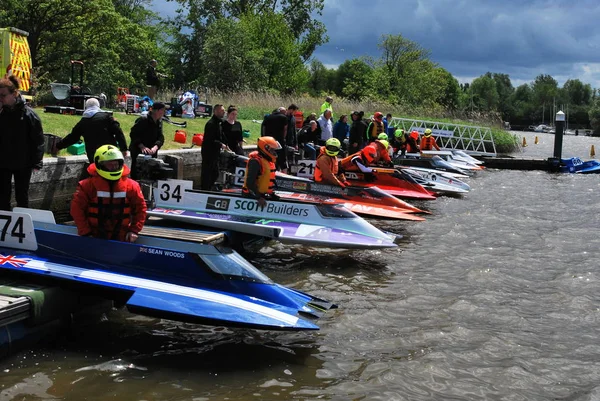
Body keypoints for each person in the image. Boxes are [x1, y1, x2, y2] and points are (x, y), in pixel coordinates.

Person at [70, 145, 146, 242]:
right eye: (109, 164)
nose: (113, 167)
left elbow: (141, 208)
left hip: (122, 238)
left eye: (116, 164)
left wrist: (134, 230)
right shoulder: (86, 186)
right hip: (93, 236)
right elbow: (77, 210)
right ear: (99, 164)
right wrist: (85, 232)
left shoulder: (132, 186)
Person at [0, 76, 44, 211]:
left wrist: (37, 161)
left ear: (14, 94)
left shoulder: (29, 115)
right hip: (3, 162)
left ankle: (23, 225)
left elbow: (38, 140)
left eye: (3, 95)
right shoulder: (1, 113)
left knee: (22, 196)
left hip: (23, 163)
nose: (0, 98)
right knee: (2, 196)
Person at [54, 98, 128, 163]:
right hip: (110, 152)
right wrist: (124, 148)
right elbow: (118, 131)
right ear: (98, 106)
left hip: (93, 155)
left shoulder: (82, 122)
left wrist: (58, 146)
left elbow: (72, 137)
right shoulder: (106, 117)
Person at [128, 102, 167, 180]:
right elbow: (133, 134)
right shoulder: (143, 119)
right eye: (162, 110)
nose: (163, 112)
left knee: (151, 172)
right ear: (156, 111)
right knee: (138, 172)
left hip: (152, 151)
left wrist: (156, 146)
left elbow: (160, 137)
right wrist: (141, 146)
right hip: (138, 150)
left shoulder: (159, 121)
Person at [242, 136, 281, 208]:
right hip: (251, 196)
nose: (274, 152)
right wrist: (259, 197)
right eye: (272, 150)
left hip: (261, 195)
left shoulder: (267, 161)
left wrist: (271, 194)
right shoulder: (255, 162)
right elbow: (249, 183)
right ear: (266, 149)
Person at [201, 104, 227, 190]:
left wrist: (225, 144)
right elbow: (210, 139)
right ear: (216, 111)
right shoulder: (211, 124)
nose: (224, 112)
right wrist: (221, 145)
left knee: (215, 173)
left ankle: (209, 187)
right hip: (209, 152)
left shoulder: (219, 123)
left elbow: (220, 136)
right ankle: (205, 189)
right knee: (208, 173)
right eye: (222, 110)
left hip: (215, 152)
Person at [262, 107, 288, 172]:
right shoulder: (283, 117)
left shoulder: (267, 117)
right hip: (279, 140)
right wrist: (284, 137)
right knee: (282, 158)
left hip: (269, 140)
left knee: (269, 157)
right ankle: (284, 174)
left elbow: (263, 128)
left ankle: (270, 172)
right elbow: (285, 129)